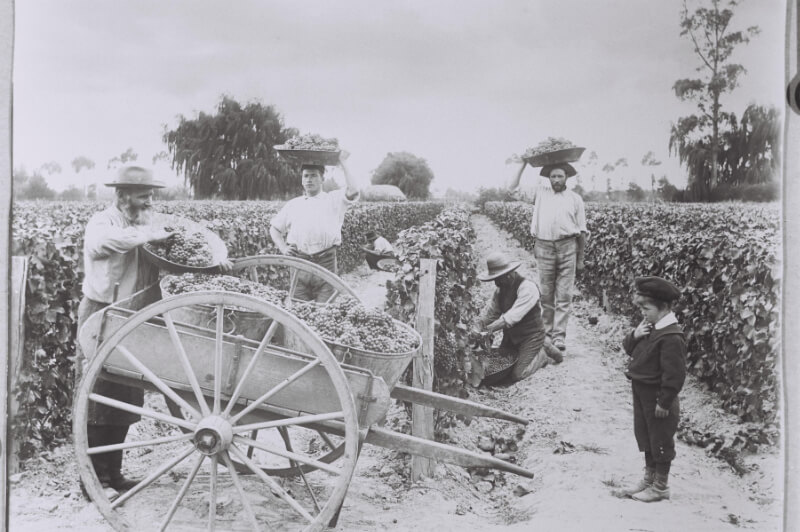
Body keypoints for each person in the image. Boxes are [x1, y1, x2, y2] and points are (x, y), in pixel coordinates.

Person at [78, 166, 230, 500]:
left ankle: (113, 475)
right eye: (143, 195)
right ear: (123, 196)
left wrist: (216, 260)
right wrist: (148, 236)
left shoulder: (147, 224)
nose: (149, 201)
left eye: (150, 195)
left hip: (134, 318)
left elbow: (184, 250)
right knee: (98, 399)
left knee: (124, 399)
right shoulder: (104, 223)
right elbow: (103, 245)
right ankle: (93, 481)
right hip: (103, 317)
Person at [614, 276, 686, 502]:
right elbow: (628, 348)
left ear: (663, 307)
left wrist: (664, 401)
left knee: (661, 439)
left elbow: (675, 375)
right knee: (646, 436)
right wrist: (635, 335)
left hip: (657, 398)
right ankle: (649, 479)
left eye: (647, 308)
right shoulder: (651, 327)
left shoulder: (671, 337)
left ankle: (661, 486)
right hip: (642, 393)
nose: (643, 312)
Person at [508, 160, 589, 352]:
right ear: (548, 178)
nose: (556, 180)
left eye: (560, 176)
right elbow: (512, 190)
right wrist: (523, 164)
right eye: (553, 176)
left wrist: (581, 259)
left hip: (568, 246)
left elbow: (583, 231)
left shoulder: (575, 199)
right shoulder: (540, 194)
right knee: (546, 295)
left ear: (567, 177)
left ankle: (559, 337)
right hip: (544, 246)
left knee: (564, 295)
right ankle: (547, 335)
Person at [269, 153, 359, 302]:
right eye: (305, 176)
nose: (309, 180)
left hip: (325, 263)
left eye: (313, 176)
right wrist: (283, 248)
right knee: (298, 311)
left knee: (324, 312)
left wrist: (342, 162)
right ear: (301, 180)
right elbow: (275, 229)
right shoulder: (293, 204)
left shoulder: (333, 200)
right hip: (299, 263)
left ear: (322, 179)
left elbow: (353, 190)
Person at [475, 252, 563, 383]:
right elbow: (490, 313)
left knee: (518, 374)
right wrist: (476, 327)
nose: (496, 282)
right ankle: (533, 350)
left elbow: (511, 317)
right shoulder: (500, 291)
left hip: (531, 337)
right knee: (503, 366)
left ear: (509, 275)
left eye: (498, 278)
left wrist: (488, 330)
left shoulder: (527, 288)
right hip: (512, 338)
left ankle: (543, 351)